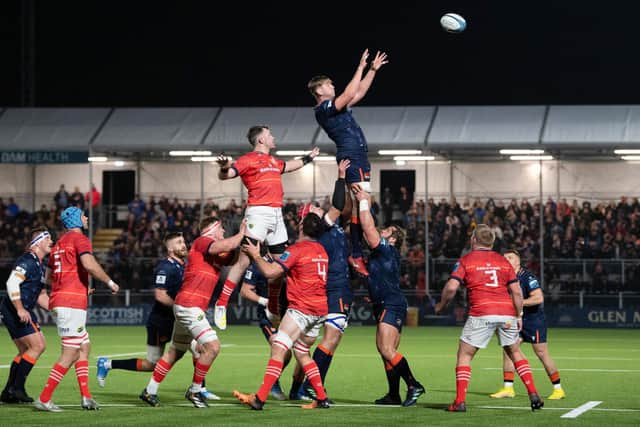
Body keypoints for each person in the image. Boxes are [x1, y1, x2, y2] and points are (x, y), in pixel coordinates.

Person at [214, 125, 319, 330]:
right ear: (261, 140)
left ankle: (272, 304)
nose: (273, 137)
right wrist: (225, 167)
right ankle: (221, 303)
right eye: (269, 134)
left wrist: (309, 157)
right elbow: (226, 175)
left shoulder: (273, 161)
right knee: (244, 261)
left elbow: (289, 165)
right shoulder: (248, 159)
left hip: (276, 215)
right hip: (258, 213)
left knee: (281, 265)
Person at [95, 231, 221, 400]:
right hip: (161, 322)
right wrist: (182, 306)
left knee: (199, 348)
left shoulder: (185, 265)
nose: (183, 245)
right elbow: (160, 295)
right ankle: (108, 363)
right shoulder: (165, 267)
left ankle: (198, 389)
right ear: (170, 249)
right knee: (151, 364)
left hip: (181, 319)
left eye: (183, 241)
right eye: (178, 242)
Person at [435, 224, 544, 413]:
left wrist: (441, 305)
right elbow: (516, 292)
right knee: (515, 352)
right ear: (492, 242)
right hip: (507, 313)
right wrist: (518, 314)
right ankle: (533, 394)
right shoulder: (503, 262)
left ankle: (459, 402)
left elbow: (452, 287)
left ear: (473, 240)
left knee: (465, 354)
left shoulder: (466, 260)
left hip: (481, 312)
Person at [139, 217, 245, 408]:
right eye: (221, 229)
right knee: (212, 347)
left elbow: (233, 257)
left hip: (186, 305)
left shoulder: (213, 250)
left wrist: (243, 243)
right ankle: (195, 391)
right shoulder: (202, 241)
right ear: (212, 229)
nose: (223, 233)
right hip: (190, 306)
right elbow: (224, 245)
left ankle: (150, 391)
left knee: (176, 351)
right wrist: (242, 233)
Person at [233, 213, 330, 410]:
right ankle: (321, 398)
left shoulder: (296, 250)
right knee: (302, 352)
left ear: (302, 227)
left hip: (302, 309)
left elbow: (270, 273)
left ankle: (259, 398)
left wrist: (256, 255)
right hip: (320, 310)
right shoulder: (322, 250)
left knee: (278, 349)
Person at [308, 49, 389, 277]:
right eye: (329, 84)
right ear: (319, 90)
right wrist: (361, 66)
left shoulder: (336, 106)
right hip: (352, 156)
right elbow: (349, 91)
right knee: (363, 203)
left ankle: (355, 251)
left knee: (359, 204)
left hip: (358, 156)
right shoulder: (323, 109)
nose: (332, 86)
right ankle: (356, 251)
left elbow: (359, 90)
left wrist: (372, 70)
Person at [35, 207, 120, 412]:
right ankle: (44, 398)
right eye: (83, 215)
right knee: (70, 353)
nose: (87, 218)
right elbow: (89, 264)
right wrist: (109, 282)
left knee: (84, 347)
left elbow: (48, 278)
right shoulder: (80, 239)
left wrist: (78, 288)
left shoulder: (58, 245)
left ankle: (86, 397)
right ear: (76, 219)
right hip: (71, 304)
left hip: (66, 299)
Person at [352, 186, 426, 407]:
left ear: (392, 239)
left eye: (387, 231)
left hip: (391, 303)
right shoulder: (386, 253)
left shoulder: (385, 248)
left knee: (386, 349)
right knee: (386, 351)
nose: (382, 231)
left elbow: (368, 227)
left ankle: (413, 384)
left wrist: (364, 201)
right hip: (387, 302)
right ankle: (394, 394)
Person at [300, 160, 353, 400]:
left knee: (332, 338)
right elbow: (339, 204)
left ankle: (307, 386)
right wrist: (340, 177)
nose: (320, 208)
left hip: (338, 285)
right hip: (334, 287)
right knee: (330, 338)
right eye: (315, 209)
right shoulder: (324, 226)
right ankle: (313, 385)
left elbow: (344, 207)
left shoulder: (331, 227)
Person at [490, 249, 565, 400]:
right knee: (508, 351)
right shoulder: (504, 278)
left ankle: (558, 389)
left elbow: (538, 298)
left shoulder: (527, 276)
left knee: (541, 353)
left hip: (533, 320)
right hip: (515, 319)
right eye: (504, 258)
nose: (506, 260)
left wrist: (518, 303)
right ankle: (508, 388)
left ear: (517, 261)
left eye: (510, 257)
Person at [0, 227, 53, 403]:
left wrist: (60, 309)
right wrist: (20, 309)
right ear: (38, 242)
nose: (51, 242)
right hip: (15, 309)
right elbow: (12, 283)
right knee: (38, 345)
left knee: (26, 350)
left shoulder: (40, 265)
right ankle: (17, 389)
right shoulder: (28, 261)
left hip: (16, 309)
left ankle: (9, 391)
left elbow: (41, 296)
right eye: (48, 239)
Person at [239, 260, 290, 401]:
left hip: (290, 313)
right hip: (268, 316)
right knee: (282, 349)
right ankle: (272, 385)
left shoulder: (288, 260)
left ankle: (298, 389)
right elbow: (244, 291)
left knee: (297, 353)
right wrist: (264, 301)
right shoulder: (257, 265)